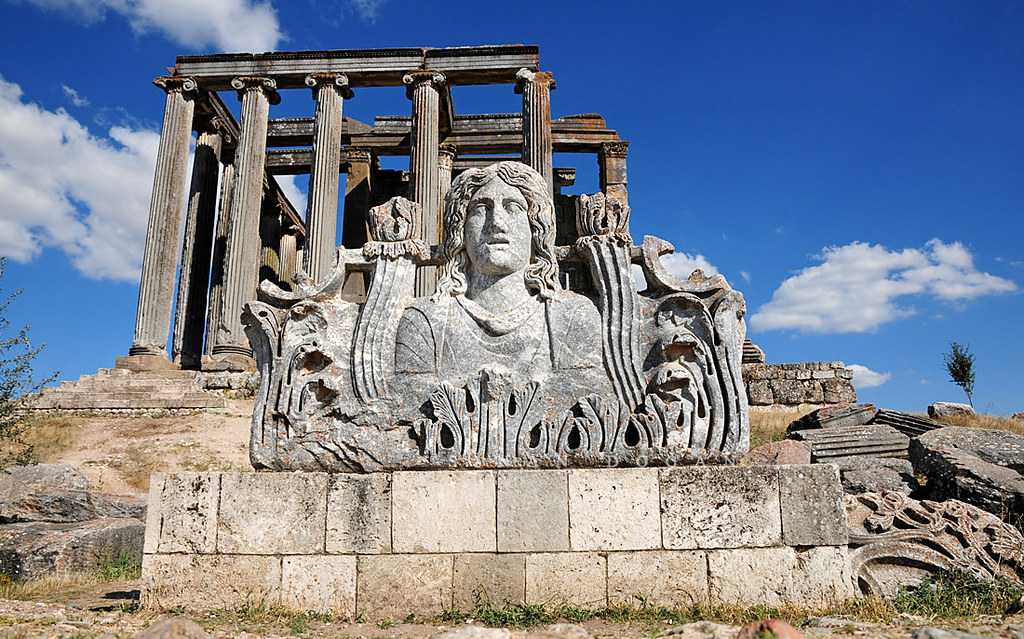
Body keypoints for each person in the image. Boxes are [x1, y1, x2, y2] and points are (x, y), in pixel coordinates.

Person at [394, 161, 608, 404]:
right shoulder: (424, 320)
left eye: (513, 207)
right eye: (481, 208)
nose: (496, 222)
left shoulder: (572, 316)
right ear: (459, 230)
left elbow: (593, 400)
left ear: (537, 227)